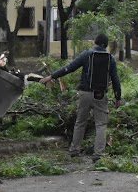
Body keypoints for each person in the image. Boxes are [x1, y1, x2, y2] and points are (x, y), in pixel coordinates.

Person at [39, 33, 123, 161]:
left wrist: (51, 76)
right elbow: (115, 79)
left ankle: (74, 150)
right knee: (100, 124)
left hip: (84, 94)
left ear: (95, 42)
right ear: (105, 45)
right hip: (100, 95)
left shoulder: (87, 54)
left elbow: (69, 68)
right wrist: (118, 97)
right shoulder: (110, 58)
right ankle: (98, 154)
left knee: (80, 122)